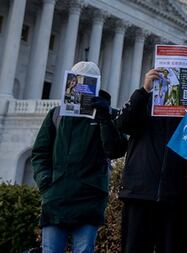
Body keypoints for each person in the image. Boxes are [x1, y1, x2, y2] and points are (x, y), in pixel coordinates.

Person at [31, 61, 127, 253]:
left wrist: (104, 118)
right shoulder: (56, 115)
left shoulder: (109, 115)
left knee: (84, 250)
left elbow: (115, 150)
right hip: (56, 196)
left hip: (89, 198)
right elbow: (40, 152)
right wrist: (45, 182)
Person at [116, 68, 187, 253]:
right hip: (140, 194)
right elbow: (123, 124)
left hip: (176, 197)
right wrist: (143, 91)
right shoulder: (144, 103)